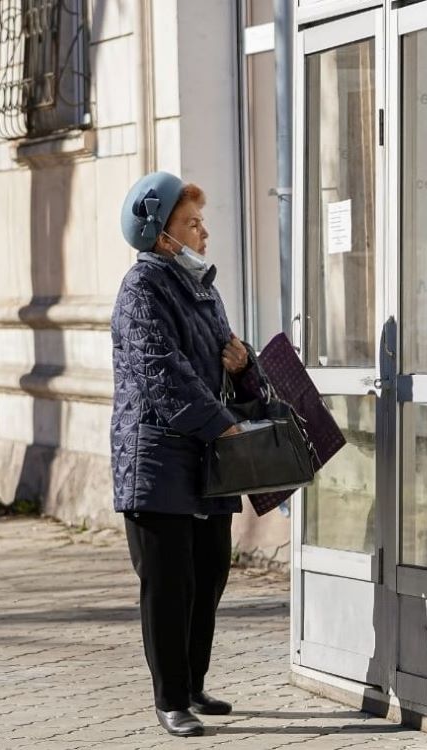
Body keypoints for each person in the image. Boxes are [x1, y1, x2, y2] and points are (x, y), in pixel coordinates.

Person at [111, 171, 250, 737]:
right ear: (159, 233)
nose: (203, 232)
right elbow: (159, 373)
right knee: (168, 585)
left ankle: (192, 682)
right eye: (191, 223)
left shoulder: (203, 289)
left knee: (209, 574)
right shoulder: (142, 289)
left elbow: (223, 357)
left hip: (205, 460)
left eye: (201, 220)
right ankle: (170, 699)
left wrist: (243, 367)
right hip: (157, 460)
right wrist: (222, 426)